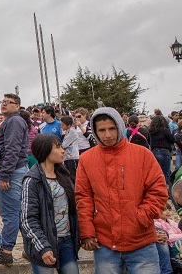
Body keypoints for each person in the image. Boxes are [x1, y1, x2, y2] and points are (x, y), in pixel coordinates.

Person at [75, 107, 168, 273]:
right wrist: (87, 231)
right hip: (105, 243)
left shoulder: (143, 155)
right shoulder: (86, 159)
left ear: (120, 126)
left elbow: (158, 190)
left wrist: (142, 216)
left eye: (112, 128)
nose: (108, 135)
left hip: (141, 240)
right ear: (94, 132)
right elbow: (84, 198)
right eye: (102, 130)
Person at [20, 134, 80, 274]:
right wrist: (43, 248)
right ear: (45, 150)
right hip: (43, 245)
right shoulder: (32, 181)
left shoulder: (63, 175)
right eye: (58, 147)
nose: (63, 150)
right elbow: (27, 219)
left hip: (66, 242)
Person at [0, 94, 29, 265]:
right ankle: (29, 248)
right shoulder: (12, 122)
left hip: (11, 172)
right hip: (13, 170)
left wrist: (5, 174)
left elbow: (12, 148)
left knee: (10, 214)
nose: (3, 104)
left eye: (8, 102)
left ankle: (6, 252)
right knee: (18, 213)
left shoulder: (14, 122)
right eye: (2, 102)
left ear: (17, 106)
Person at [148, 115, 176, 186]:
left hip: (154, 151)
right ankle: (167, 191)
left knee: (156, 173)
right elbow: (172, 139)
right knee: (166, 174)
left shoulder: (151, 131)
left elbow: (148, 141)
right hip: (164, 151)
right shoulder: (164, 130)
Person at [60, 116, 79, 181]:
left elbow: (64, 145)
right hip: (67, 157)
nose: (61, 126)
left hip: (72, 157)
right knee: (69, 175)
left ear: (69, 125)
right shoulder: (67, 131)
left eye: (63, 125)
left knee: (73, 175)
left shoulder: (72, 132)